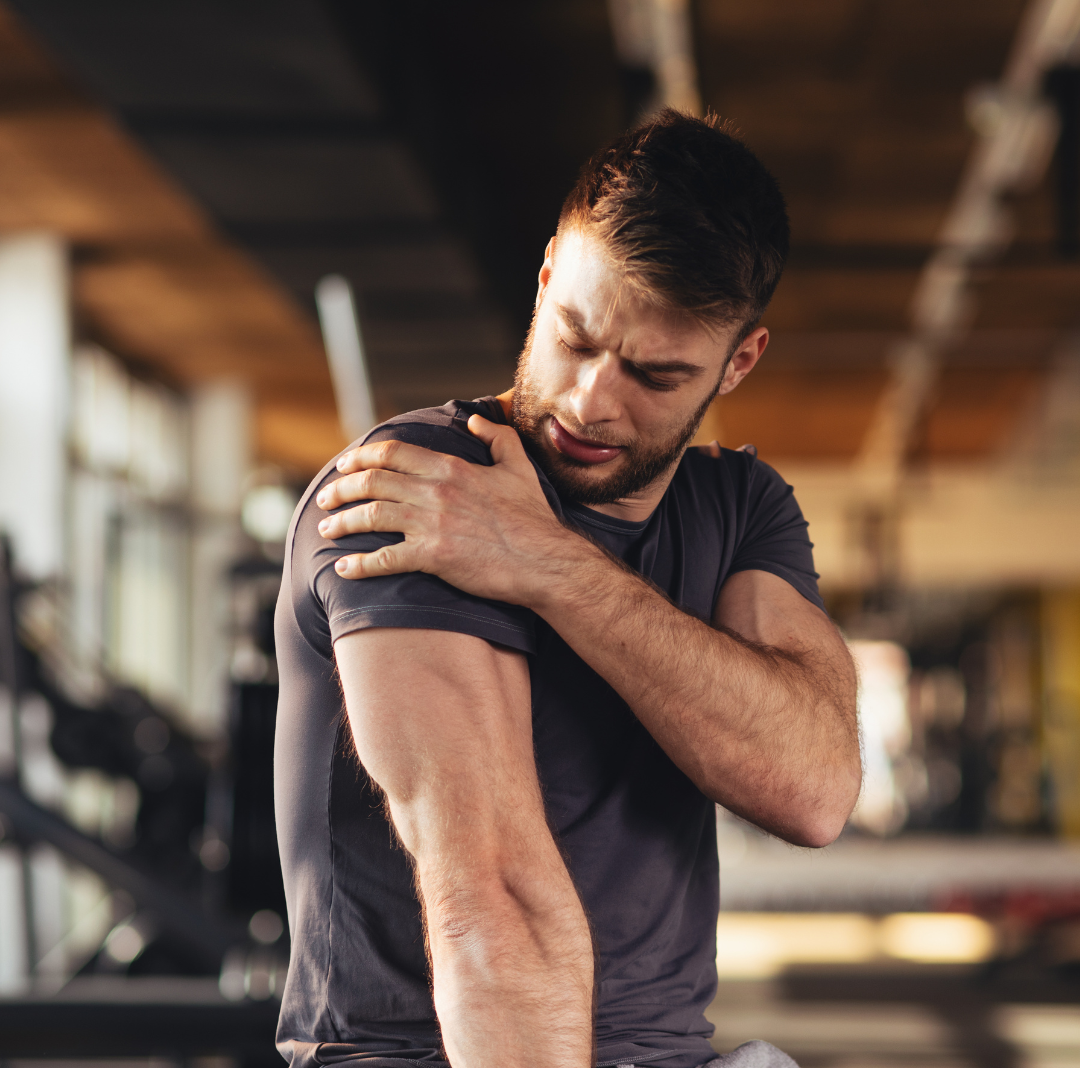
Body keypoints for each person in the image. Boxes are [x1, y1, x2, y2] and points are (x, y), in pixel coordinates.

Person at [274, 109, 861, 1068]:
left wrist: (548, 565)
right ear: (547, 277)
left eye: (655, 375)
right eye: (576, 338)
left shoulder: (738, 505)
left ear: (739, 363)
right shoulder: (421, 488)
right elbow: (489, 901)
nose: (592, 400)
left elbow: (815, 788)